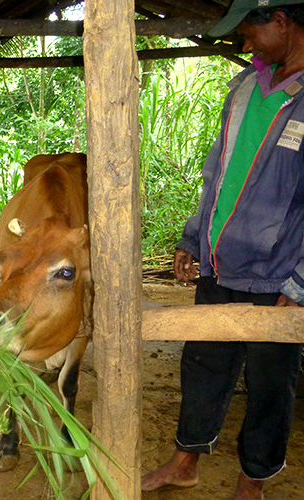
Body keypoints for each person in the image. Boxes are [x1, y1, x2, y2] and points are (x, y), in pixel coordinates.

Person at [141, 2, 304, 499]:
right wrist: (193, 238)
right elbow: (216, 175)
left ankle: (252, 481)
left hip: (278, 277)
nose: (245, 44)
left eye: (250, 32)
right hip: (219, 263)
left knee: (270, 384)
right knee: (204, 364)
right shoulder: (244, 89)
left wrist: (301, 283)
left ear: (280, 21)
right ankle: (185, 460)